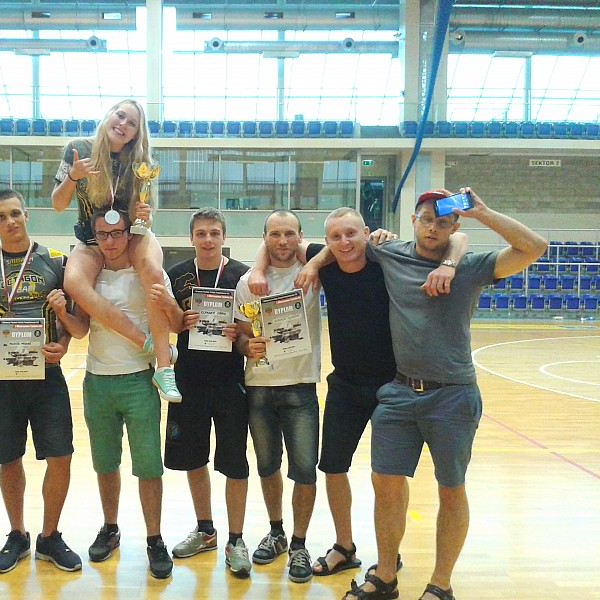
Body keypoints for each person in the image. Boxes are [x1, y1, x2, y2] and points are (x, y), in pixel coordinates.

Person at [339, 188, 547, 600]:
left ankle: (441, 584)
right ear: (413, 221)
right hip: (399, 392)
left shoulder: (471, 267)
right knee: (386, 484)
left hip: (452, 395)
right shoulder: (389, 253)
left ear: (454, 227)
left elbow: (534, 247)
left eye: (443, 222)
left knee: (451, 488)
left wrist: (483, 213)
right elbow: (339, 244)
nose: (433, 228)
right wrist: (312, 261)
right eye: (426, 220)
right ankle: (385, 577)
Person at [281, 208, 465, 579]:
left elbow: (459, 237)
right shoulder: (326, 262)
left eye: (352, 233)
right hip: (345, 385)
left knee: (391, 477)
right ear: (327, 241)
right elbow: (278, 246)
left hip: (392, 386)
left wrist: (448, 263)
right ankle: (344, 546)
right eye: (335, 237)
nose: (344, 242)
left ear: (367, 232)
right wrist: (314, 262)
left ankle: (389, 555)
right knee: (333, 467)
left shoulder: (387, 260)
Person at [0, 189, 89, 575]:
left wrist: (62, 345)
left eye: (15, 213)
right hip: (1, 375)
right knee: (8, 457)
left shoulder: (57, 261)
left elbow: (77, 325)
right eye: (1, 216)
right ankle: (17, 534)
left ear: (26, 214)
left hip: (46, 374)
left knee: (61, 456)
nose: (10, 221)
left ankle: (49, 537)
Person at [71, 207, 184, 579]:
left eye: (117, 233)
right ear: (95, 236)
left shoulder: (148, 270)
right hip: (98, 381)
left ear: (129, 234)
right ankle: (110, 527)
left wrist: (169, 305)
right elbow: (80, 327)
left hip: (139, 381)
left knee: (149, 467)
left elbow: (174, 323)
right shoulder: (90, 273)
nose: (110, 241)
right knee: (105, 463)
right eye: (103, 234)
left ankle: (154, 538)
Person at [51, 99, 180, 403]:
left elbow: (143, 216)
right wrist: (73, 176)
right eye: (120, 116)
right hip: (91, 237)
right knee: (73, 283)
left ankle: (164, 368)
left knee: (153, 272)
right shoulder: (77, 149)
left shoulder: (141, 162)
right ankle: (147, 343)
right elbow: (57, 203)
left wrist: (145, 215)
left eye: (131, 123)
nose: (123, 124)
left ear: (136, 133)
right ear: (108, 115)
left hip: (130, 235)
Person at [233, 209, 321, 584]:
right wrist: (246, 346)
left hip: (301, 384)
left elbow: (331, 251)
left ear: (300, 237)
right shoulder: (247, 282)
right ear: (264, 238)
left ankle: (300, 544)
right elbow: (240, 334)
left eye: (289, 234)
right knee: (267, 466)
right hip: (259, 387)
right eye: (274, 234)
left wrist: (312, 262)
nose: (282, 241)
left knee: (304, 470)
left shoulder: (314, 274)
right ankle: (277, 532)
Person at [164, 207, 253, 577]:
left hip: (231, 381)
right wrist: (179, 320)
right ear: (191, 238)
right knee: (194, 458)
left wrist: (238, 334)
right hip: (189, 379)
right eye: (201, 233)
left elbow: (252, 329)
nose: (208, 239)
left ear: (223, 237)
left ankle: (237, 539)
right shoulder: (176, 275)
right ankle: (205, 531)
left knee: (234, 462)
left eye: (214, 233)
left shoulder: (242, 275)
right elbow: (168, 323)